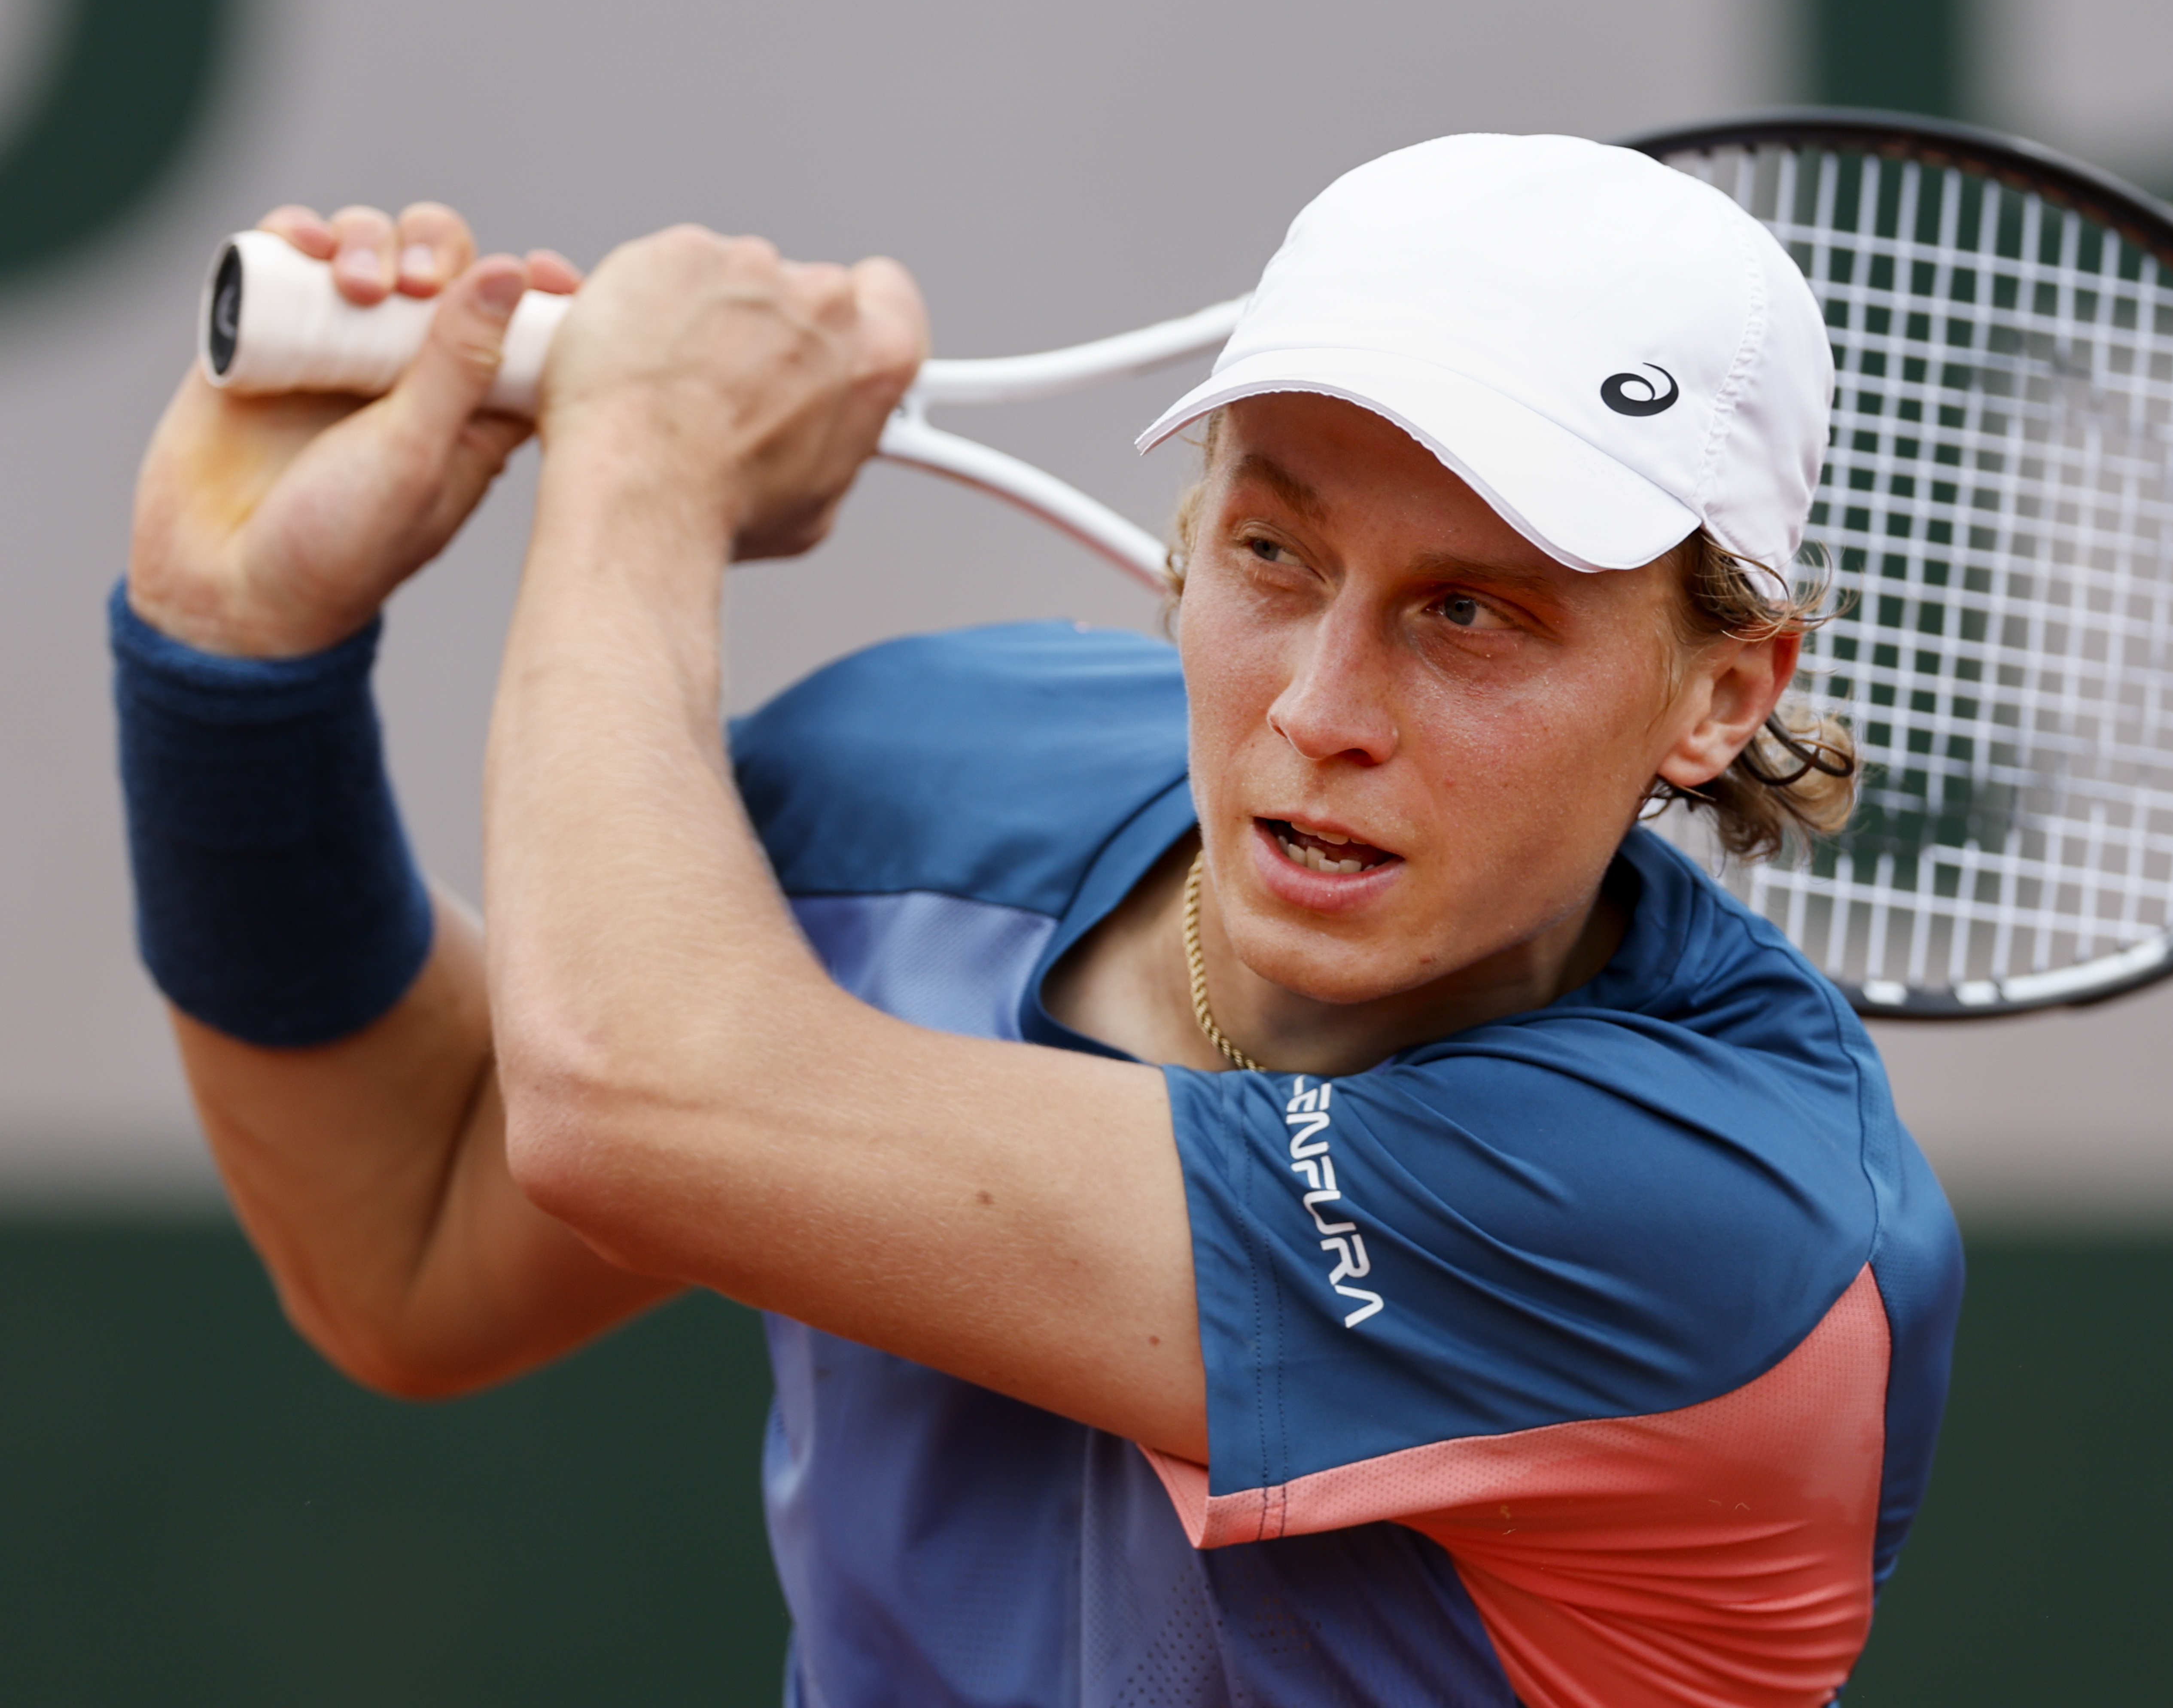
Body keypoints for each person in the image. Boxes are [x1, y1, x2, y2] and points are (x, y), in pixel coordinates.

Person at [115, 134, 1962, 1707]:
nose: (1322, 705)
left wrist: (649, 453)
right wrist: (234, 658)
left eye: (1472, 613)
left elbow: (625, 1102)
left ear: (1725, 693)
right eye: (1276, 552)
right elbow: (414, 1237)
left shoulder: (1724, 1232)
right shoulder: (917, 778)